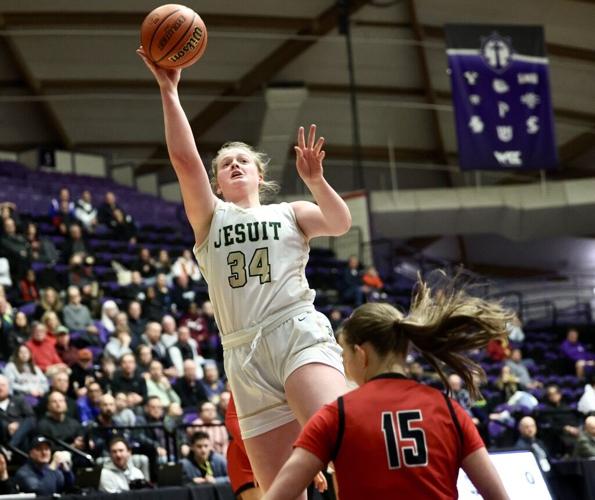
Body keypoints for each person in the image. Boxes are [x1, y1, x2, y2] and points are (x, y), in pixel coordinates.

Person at [139, 47, 349, 494]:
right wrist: (169, 89)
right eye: (225, 164)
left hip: (294, 331)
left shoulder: (290, 211)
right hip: (242, 355)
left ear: (259, 176)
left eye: (243, 162)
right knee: (278, 491)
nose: (234, 165)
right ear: (217, 183)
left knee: (345, 443)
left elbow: (339, 223)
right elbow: (183, 160)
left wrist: (315, 181)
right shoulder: (210, 219)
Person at [263, 279, 510, 500]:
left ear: (361, 354)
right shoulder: (449, 410)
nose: (344, 363)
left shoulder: (335, 416)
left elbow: (278, 495)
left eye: (344, 353)